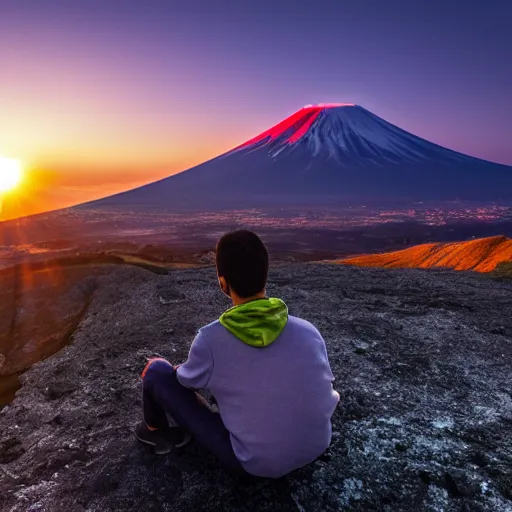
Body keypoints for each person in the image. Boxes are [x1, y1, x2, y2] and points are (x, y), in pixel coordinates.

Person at [135, 230, 340, 478]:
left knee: (156, 371)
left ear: (223, 282)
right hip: (317, 445)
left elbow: (183, 382)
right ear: (265, 275)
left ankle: (155, 431)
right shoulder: (308, 331)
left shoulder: (211, 340)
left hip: (255, 465)